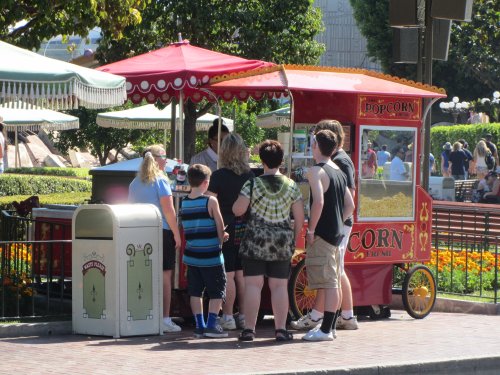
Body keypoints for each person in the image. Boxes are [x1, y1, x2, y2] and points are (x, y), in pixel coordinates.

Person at [233, 140, 304, 342]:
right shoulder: (291, 185)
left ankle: (249, 330)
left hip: (255, 239)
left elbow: (238, 210)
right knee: (280, 286)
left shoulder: (252, 183)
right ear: (281, 160)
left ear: (262, 160)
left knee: (253, 285)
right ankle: (281, 330)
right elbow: (299, 218)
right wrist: (293, 238)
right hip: (282, 240)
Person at [291, 120, 358, 332]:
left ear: (317, 146)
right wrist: (338, 218)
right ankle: (328, 322)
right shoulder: (337, 168)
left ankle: (327, 327)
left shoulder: (318, 170)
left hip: (325, 231)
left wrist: (312, 228)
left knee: (330, 279)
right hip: (336, 229)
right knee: (332, 277)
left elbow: (319, 202)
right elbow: (350, 204)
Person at [128, 145, 182, 332]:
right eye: (165, 157)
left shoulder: (134, 183)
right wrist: (176, 234)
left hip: (140, 231)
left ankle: (144, 313)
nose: (167, 160)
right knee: (165, 275)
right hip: (162, 231)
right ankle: (165, 318)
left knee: (144, 273)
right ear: (158, 159)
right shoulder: (160, 180)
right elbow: (169, 210)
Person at [207, 134, 254, 330]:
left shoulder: (218, 176)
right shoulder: (249, 176)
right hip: (245, 227)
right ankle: (242, 315)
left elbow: (209, 203)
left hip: (224, 227)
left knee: (228, 274)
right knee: (241, 274)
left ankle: (227, 316)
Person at [179, 164, 229, 338]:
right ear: (206, 183)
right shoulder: (211, 201)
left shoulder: (184, 203)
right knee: (217, 291)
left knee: (195, 291)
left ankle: (199, 325)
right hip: (211, 256)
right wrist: (224, 236)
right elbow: (220, 227)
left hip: (192, 256)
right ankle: (211, 324)